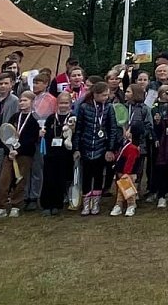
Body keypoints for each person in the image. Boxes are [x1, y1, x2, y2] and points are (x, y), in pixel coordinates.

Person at [0, 90, 40, 219]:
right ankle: (1, 207)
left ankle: (16, 205)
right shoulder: (14, 117)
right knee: (4, 180)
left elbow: (32, 139)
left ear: (32, 102)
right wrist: (9, 151)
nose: (22, 103)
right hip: (10, 155)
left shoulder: (34, 120)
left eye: (25, 100)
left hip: (25, 155)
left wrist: (19, 150)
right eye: (20, 100)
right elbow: (6, 134)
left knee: (20, 180)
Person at [75, 81, 121, 216]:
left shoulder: (109, 107)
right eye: (103, 95)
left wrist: (110, 149)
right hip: (86, 146)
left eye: (107, 95)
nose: (106, 98)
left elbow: (112, 129)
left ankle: (95, 203)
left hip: (102, 146)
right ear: (95, 94)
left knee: (99, 174)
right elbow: (79, 128)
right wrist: (77, 148)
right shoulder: (84, 107)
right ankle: (86, 203)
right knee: (86, 175)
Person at [40, 91, 77, 215]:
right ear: (57, 104)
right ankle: (46, 204)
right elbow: (46, 133)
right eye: (61, 103)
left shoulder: (73, 118)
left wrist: (75, 150)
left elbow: (76, 135)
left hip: (65, 154)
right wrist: (43, 133)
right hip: (50, 153)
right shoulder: (51, 118)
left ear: (70, 104)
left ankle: (57, 204)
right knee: (48, 178)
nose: (63, 105)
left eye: (66, 103)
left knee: (60, 178)